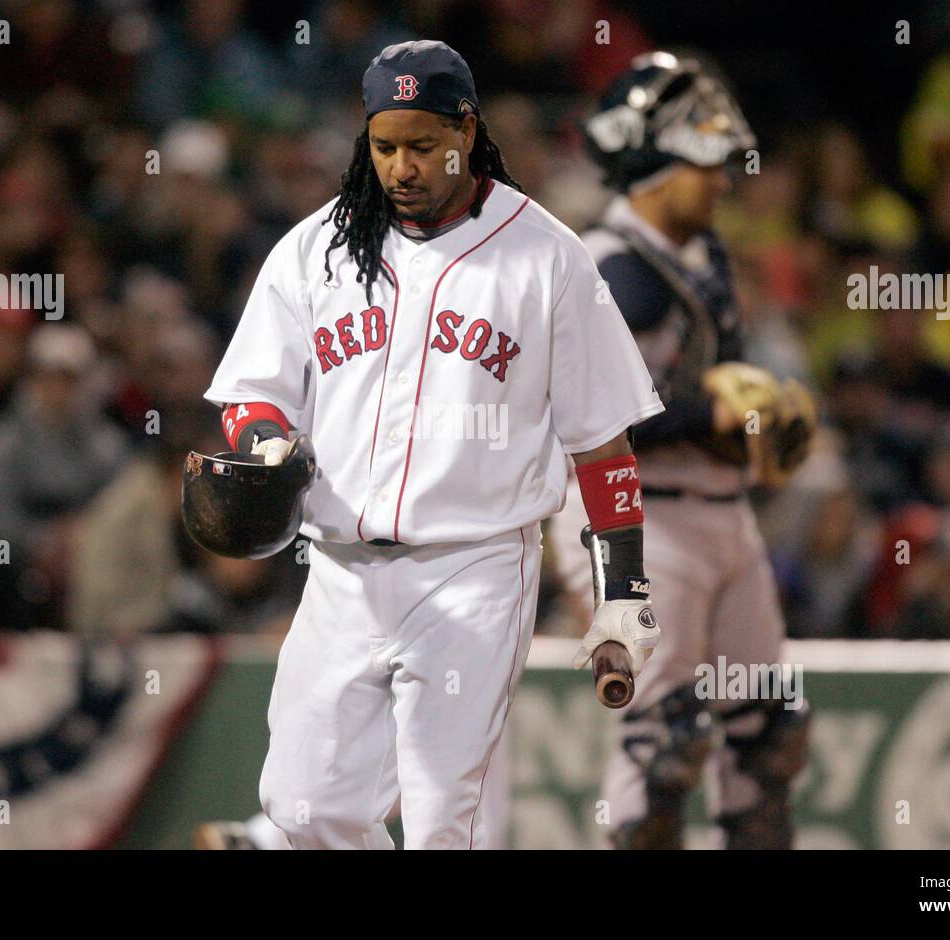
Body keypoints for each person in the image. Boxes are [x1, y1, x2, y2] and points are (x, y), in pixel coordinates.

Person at [201, 40, 663, 849]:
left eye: (422, 145)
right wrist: (269, 441)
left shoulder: (547, 255)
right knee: (302, 807)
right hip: (340, 569)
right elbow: (249, 392)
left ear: (467, 131)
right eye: (384, 146)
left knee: (444, 820)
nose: (401, 167)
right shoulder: (317, 247)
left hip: (475, 568)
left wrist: (621, 588)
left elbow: (602, 441)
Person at [549, 51, 814, 849]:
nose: (723, 178)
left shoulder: (705, 257)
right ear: (653, 162)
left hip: (721, 517)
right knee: (667, 742)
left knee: (768, 737)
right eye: (705, 160)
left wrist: (755, 429)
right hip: (634, 521)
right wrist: (711, 414)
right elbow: (581, 417)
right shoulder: (604, 266)